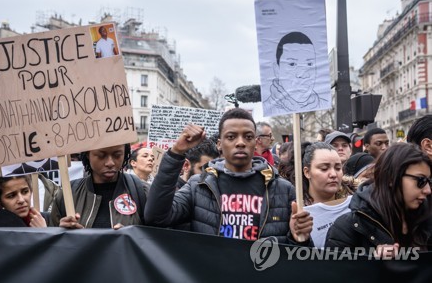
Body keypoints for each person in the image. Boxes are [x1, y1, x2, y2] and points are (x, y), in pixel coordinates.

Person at [145, 108, 313, 244]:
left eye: (248, 137)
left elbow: (298, 257)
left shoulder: (283, 190)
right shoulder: (198, 186)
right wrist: (176, 152)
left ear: (255, 142)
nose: (240, 142)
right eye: (231, 137)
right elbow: (156, 217)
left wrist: (300, 238)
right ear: (219, 143)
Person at [325, 143, 432, 256]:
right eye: (421, 181)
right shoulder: (348, 228)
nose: (428, 190)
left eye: (429, 182)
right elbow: (334, 272)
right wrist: (373, 265)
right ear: (391, 177)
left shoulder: (427, 218)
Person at [50, 144, 149, 229]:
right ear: (88, 154)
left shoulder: (143, 192)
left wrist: (131, 236)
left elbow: (156, 241)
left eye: (117, 155)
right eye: (101, 155)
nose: (110, 163)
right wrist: (62, 232)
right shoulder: (68, 194)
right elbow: (51, 244)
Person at [301, 142, 358, 248]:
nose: (333, 174)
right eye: (324, 168)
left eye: (338, 168)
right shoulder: (298, 213)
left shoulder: (357, 204)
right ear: (307, 172)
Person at [265, 31, 328, 114]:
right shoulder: (268, 109)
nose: (303, 75)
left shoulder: (325, 106)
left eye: (309, 64)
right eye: (292, 64)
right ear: (277, 70)